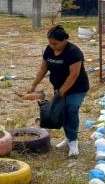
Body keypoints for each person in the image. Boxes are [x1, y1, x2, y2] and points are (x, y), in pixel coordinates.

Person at [29, 25, 89, 157]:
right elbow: (43, 69)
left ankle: (73, 142)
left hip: (77, 88)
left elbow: (73, 75)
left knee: (71, 109)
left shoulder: (73, 52)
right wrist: (34, 85)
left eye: (55, 43)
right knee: (62, 112)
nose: (52, 46)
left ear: (64, 40)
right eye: (50, 43)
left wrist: (61, 91)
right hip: (59, 87)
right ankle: (69, 138)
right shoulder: (49, 50)